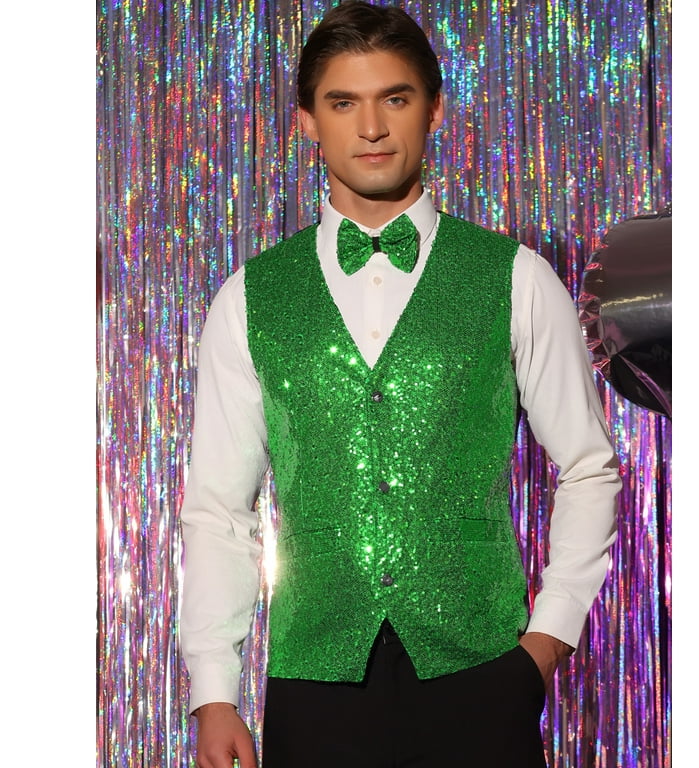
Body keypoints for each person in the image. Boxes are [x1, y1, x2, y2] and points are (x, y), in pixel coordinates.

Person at [179, 3, 621, 767]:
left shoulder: (516, 278)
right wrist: (214, 692)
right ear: (307, 123)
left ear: (434, 109)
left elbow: (588, 466)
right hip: (316, 684)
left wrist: (546, 642)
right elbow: (219, 510)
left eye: (395, 98)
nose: (372, 128)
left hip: (482, 673)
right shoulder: (249, 298)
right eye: (342, 103)